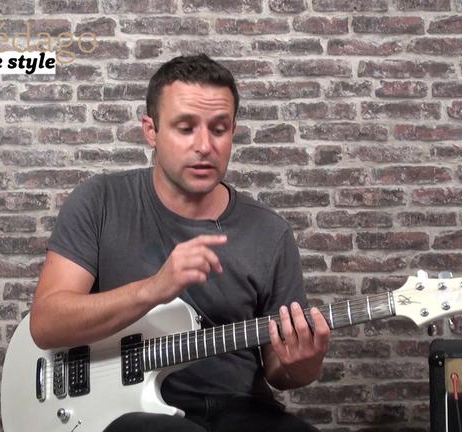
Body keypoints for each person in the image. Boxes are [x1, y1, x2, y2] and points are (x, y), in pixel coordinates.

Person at [29, 53, 330, 432]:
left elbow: (281, 372)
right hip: (130, 414)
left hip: (240, 410)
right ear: (151, 130)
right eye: (185, 128)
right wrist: (154, 289)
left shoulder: (270, 232)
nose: (204, 145)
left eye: (219, 129)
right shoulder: (100, 201)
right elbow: (47, 324)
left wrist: (303, 363)